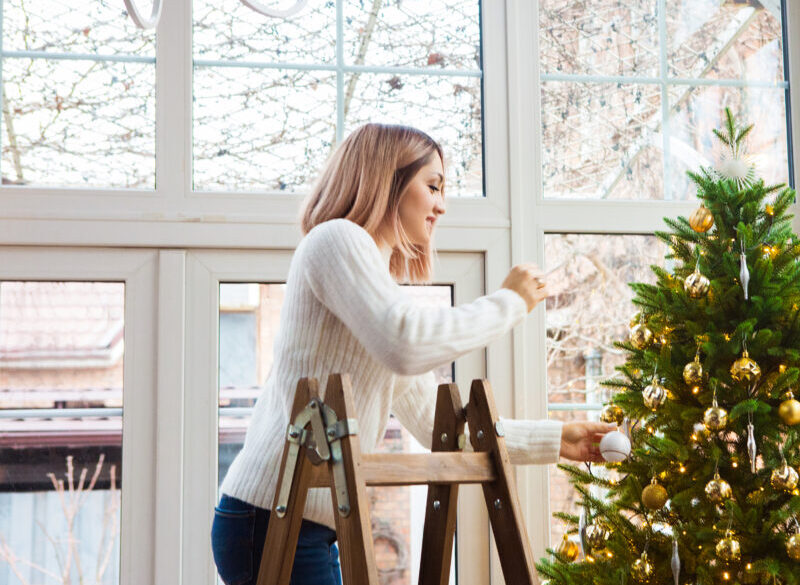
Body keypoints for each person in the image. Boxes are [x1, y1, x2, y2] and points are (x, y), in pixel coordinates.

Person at [211, 123, 616, 585]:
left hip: (303, 521)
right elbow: (407, 343)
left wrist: (559, 439)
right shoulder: (335, 241)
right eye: (433, 186)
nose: (441, 205)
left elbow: (433, 422)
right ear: (389, 180)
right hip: (270, 516)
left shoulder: (372, 286)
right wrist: (510, 302)